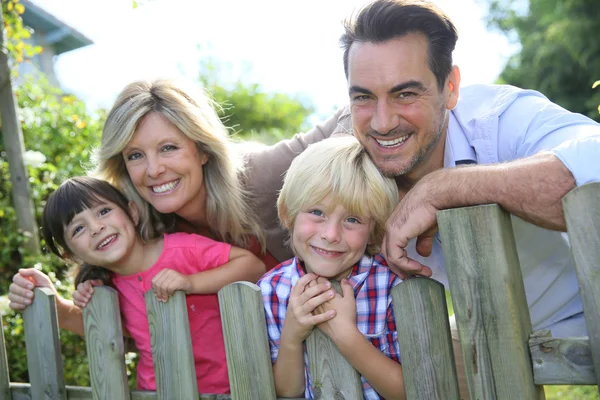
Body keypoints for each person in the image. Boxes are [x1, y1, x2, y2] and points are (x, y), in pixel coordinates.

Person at [9, 78, 345, 321]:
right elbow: (136, 328)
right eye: (136, 155)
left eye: (168, 147)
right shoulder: (143, 233)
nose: (154, 170)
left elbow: (349, 114)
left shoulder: (261, 174)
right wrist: (58, 305)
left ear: (201, 149)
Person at [39, 176, 265, 393]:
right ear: (71, 256)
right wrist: (92, 303)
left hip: (230, 387)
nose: (96, 228)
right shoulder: (106, 287)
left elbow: (253, 266)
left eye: (104, 211)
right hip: (159, 391)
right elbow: (119, 334)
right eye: (78, 229)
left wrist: (192, 282)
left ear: (132, 213)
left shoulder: (184, 250)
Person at [258, 136, 405, 400]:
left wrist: (347, 336)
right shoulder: (271, 290)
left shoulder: (394, 287)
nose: (331, 234)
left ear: (374, 230)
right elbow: (287, 392)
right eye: (317, 212)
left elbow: (412, 390)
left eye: (352, 219)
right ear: (288, 214)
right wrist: (291, 336)